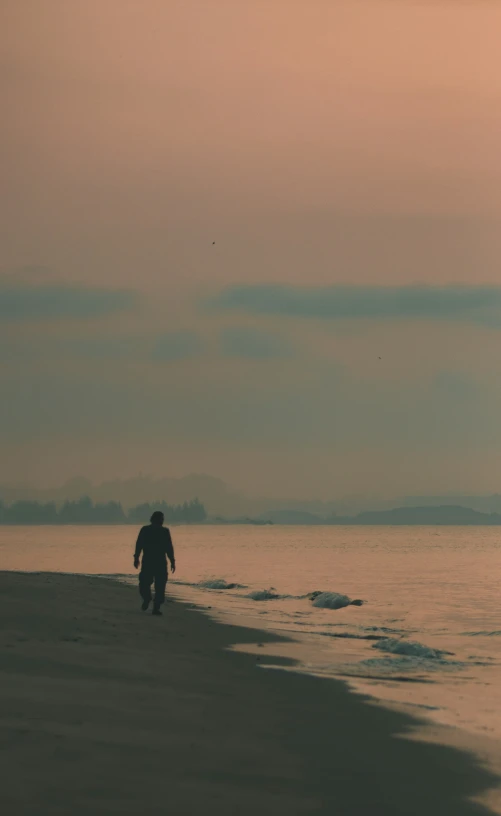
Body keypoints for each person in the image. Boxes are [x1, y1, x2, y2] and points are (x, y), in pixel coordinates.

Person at [133, 511, 176, 615]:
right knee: (158, 586)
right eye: (161, 518)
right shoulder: (161, 531)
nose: (162, 520)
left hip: (151, 561)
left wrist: (136, 558)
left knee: (147, 584)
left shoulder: (147, 530)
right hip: (157, 562)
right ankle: (153, 605)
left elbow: (139, 545)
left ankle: (150, 601)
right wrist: (172, 561)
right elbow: (169, 548)